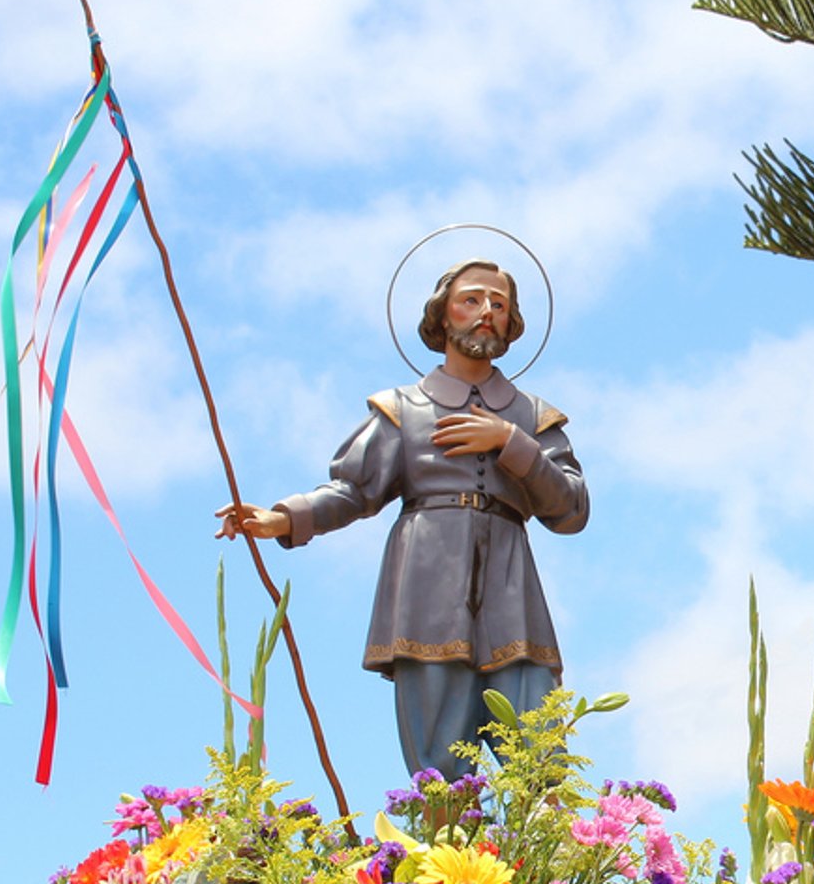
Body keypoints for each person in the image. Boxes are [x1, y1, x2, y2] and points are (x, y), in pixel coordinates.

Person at [217, 259, 588, 780]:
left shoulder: (532, 417)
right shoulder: (404, 410)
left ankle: (553, 860)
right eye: (472, 300)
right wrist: (284, 518)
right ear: (443, 316)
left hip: (512, 597)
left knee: (540, 757)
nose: (486, 312)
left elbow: (571, 508)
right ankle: (445, 858)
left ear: (511, 324)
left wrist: (510, 443)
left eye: (499, 305)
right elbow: (352, 490)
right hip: (428, 590)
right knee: (439, 767)